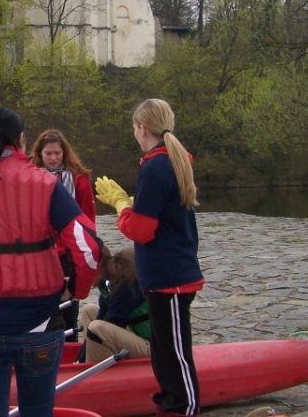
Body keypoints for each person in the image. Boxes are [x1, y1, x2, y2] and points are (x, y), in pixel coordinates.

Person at [0, 108, 102, 417]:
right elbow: (88, 249)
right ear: (20, 140)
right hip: (38, 320)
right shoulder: (44, 183)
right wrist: (77, 290)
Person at [95, 98, 204, 417]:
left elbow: (140, 230)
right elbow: (160, 214)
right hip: (168, 271)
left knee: (174, 353)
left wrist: (121, 206)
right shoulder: (169, 160)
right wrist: (132, 203)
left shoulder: (156, 166)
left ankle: (184, 407)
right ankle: (171, 403)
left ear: (142, 128)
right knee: (164, 349)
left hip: (169, 276)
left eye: (134, 127)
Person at [29, 129, 97, 342]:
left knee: (69, 305)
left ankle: (68, 346)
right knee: (42, 306)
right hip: (41, 251)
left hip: (69, 252)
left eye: (57, 153)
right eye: (48, 153)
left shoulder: (79, 180)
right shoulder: (30, 179)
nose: (53, 158)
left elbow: (88, 219)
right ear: (40, 154)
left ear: (64, 153)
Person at [78, 245, 151, 364]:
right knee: (89, 311)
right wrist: (78, 361)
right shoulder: (108, 288)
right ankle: (84, 364)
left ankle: (91, 370)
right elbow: (103, 318)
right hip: (134, 335)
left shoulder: (126, 289)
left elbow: (109, 323)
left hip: (153, 347)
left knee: (97, 327)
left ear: (97, 267)